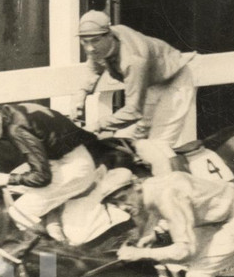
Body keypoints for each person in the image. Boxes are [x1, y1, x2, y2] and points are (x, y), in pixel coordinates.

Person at [98, 167, 234, 277]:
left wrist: (139, 254)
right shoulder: (150, 187)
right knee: (182, 263)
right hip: (215, 218)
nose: (122, 208)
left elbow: (185, 251)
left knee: (197, 276)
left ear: (136, 185)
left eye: (123, 199)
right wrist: (152, 235)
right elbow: (162, 211)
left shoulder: (167, 197)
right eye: (115, 204)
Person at [69, 10, 196, 175]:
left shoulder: (133, 60)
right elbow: (94, 67)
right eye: (84, 42)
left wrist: (97, 125)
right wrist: (81, 94)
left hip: (175, 81)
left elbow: (134, 111)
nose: (90, 48)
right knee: (126, 140)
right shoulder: (103, 43)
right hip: (151, 84)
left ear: (109, 35)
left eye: (94, 41)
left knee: (157, 146)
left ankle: (184, 188)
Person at [0, 97, 99, 241]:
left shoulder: (17, 129)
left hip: (74, 167)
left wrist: (7, 179)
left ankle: (56, 257)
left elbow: (42, 177)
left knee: (18, 213)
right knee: (12, 188)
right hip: (64, 159)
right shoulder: (11, 112)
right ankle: (53, 223)